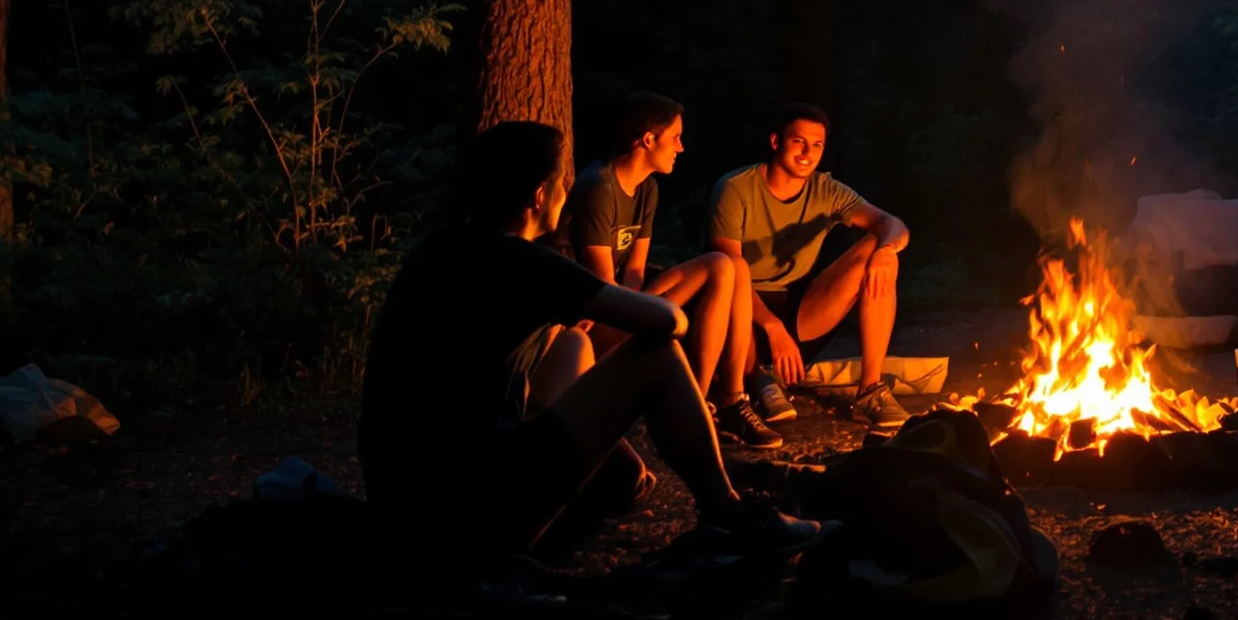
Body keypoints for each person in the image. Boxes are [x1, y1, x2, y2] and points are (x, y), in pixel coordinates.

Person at [357, 119, 820, 572]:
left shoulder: (440, 248)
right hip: (465, 514)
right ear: (540, 195)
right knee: (655, 354)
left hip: (403, 506)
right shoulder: (521, 261)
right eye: (562, 182)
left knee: (569, 347)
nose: (568, 192)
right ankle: (730, 515)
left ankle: (584, 504)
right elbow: (664, 320)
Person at [561, 94, 776, 447]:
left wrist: (647, 303)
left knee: (731, 264)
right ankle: (693, 410)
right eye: (675, 136)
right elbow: (603, 284)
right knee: (719, 265)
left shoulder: (647, 188)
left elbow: (634, 269)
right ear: (648, 139)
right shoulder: (599, 185)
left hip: (622, 303)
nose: (681, 147)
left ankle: (723, 399)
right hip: (592, 319)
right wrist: (648, 309)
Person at [709, 101, 913, 432]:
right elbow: (727, 266)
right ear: (776, 142)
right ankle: (755, 381)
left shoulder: (826, 189)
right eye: (798, 141)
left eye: (816, 144)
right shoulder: (735, 188)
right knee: (731, 271)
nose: (807, 153)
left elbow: (892, 223)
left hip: (800, 311)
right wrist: (773, 328)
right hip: (740, 311)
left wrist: (888, 250)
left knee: (877, 247)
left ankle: (870, 391)